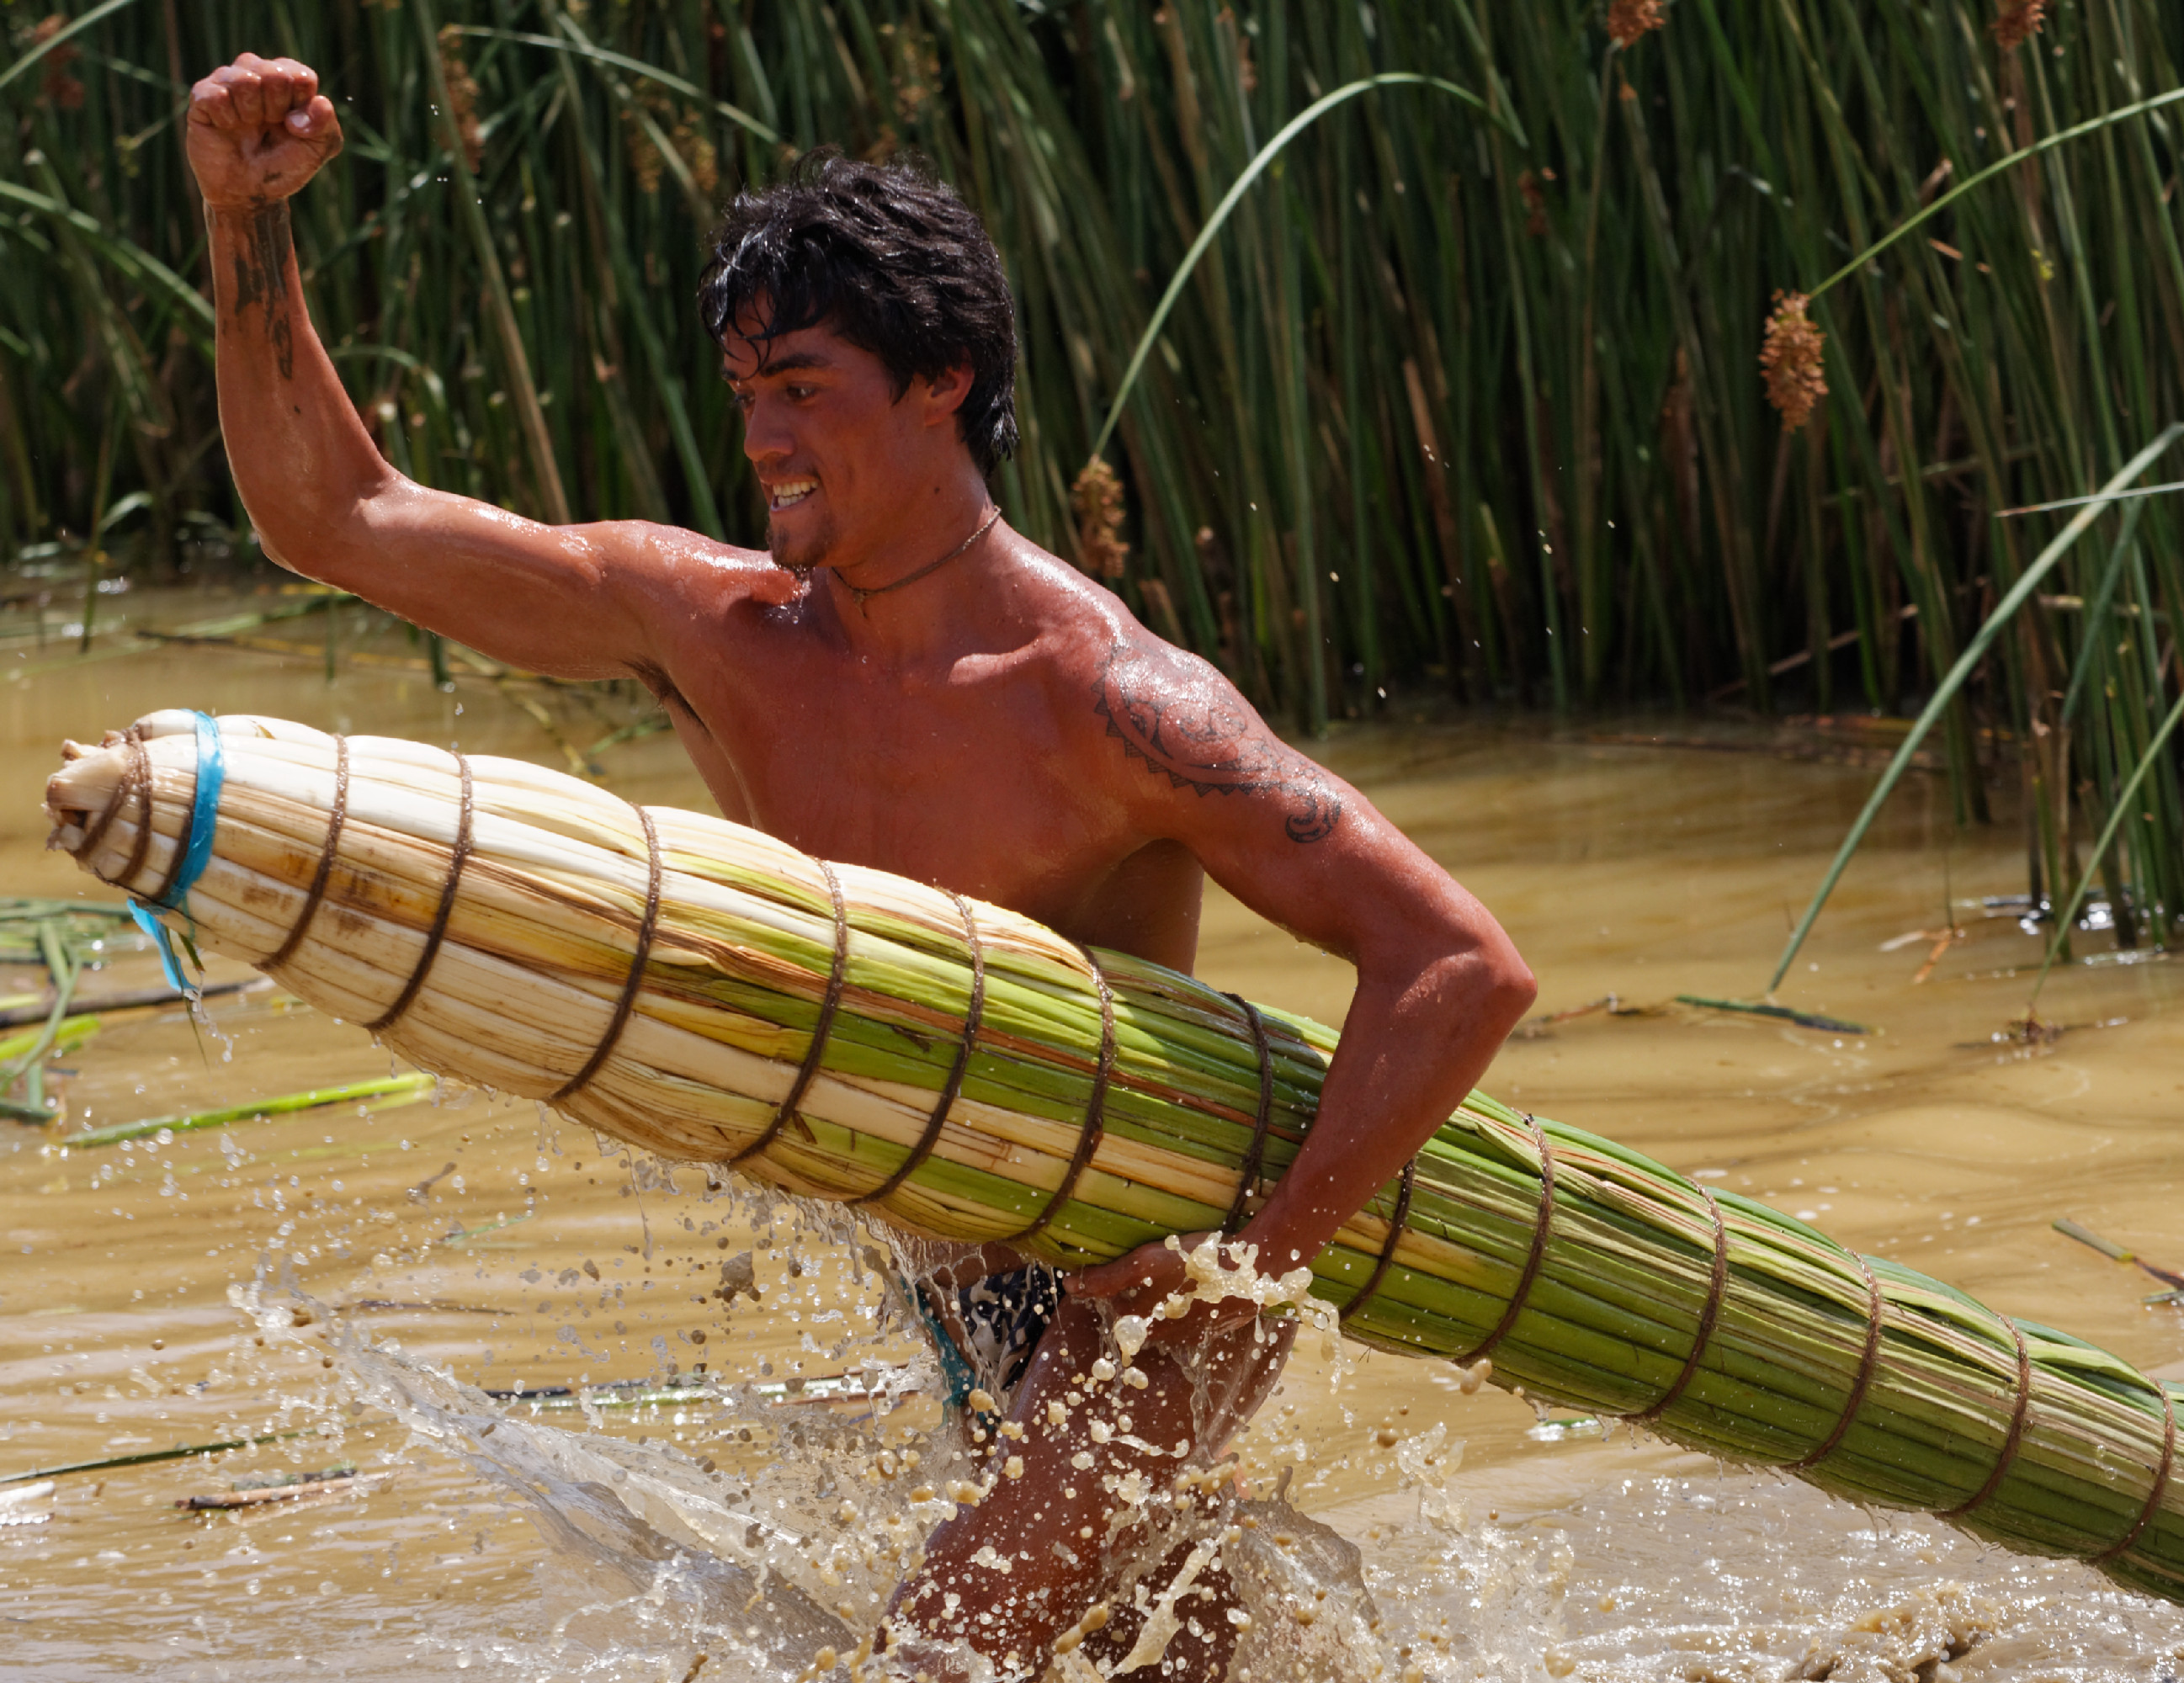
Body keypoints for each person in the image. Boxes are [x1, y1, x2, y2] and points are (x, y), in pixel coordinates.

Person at [184, 52, 1535, 1679]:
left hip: (1134, 1304)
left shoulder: (1107, 699)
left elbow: (1459, 968)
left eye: (804, 385)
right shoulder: (713, 633)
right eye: (745, 390)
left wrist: (1253, 1281)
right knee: (1158, 1658)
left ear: (943, 376)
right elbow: (338, 515)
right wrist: (240, 220)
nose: (762, 437)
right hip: (960, 1304)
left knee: (924, 1661)